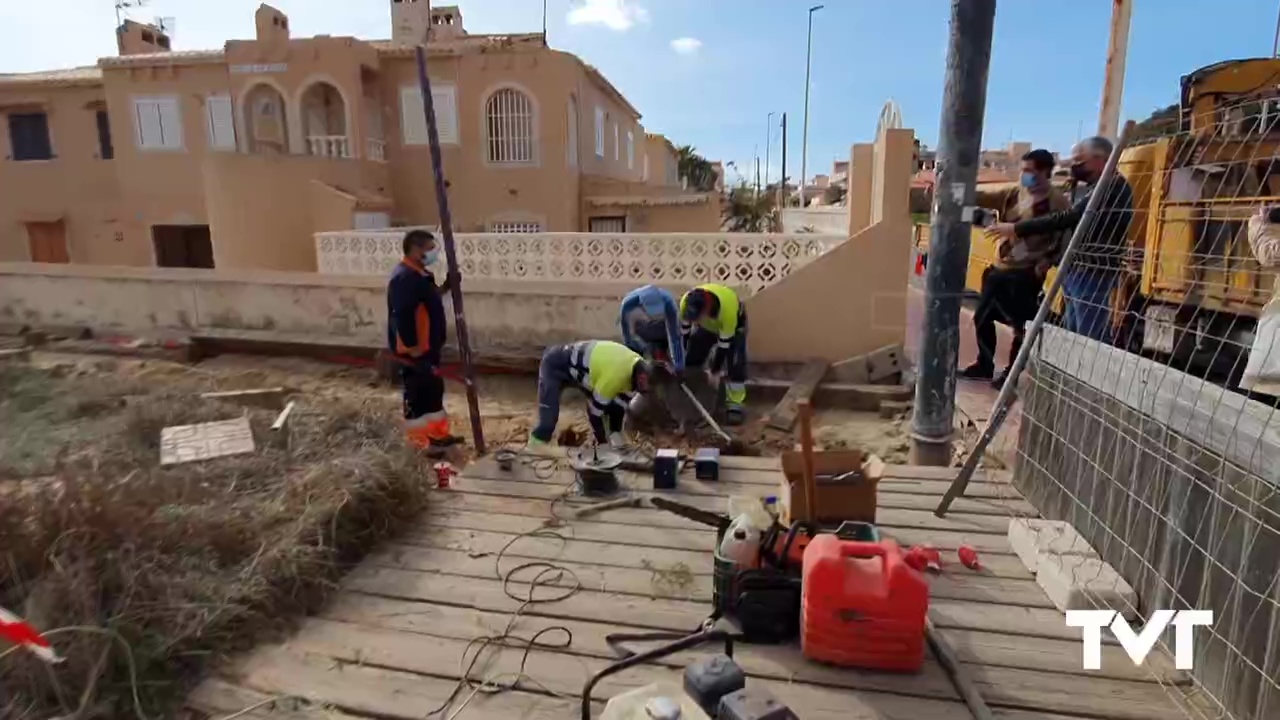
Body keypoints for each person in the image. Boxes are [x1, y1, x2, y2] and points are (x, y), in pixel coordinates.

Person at [988, 136, 1134, 345]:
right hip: (1077, 267)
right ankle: (1071, 373)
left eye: (1080, 161)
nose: (1075, 166)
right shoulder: (1094, 187)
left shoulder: (1111, 188)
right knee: (1074, 330)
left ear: (1102, 160)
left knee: (1088, 336)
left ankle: (1083, 374)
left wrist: (1016, 228)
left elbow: (1068, 218)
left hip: (1092, 269)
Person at [964, 149, 1070, 388]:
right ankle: (984, 364)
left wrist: (1047, 262)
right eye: (1023, 170)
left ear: (1045, 172)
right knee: (982, 317)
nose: (1024, 175)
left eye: (1029, 171)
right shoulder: (1015, 193)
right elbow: (984, 195)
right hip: (1000, 268)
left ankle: (1011, 375)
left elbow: (1065, 239)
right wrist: (953, 191)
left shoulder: (1058, 203)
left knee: (1020, 326)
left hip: (1025, 273)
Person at [387, 229, 462, 453]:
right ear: (415, 249)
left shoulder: (420, 275)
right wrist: (413, 347)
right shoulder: (404, 278)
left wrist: (447, 286)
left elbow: (428, 300)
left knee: (433, 390)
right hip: (415, 352)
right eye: (429, 249)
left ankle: (438, 436)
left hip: (428, 348)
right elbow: (403, 314)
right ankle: (420, 444)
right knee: (417, 396)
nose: (433, 253)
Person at [527, 340, 651, 451]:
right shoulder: (615, 378)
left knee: (610, 409)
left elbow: (618, 408)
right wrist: (603, 444)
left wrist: (616, 434)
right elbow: (594, 413)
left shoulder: (641, 373)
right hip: (555, 364)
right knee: (548, 422)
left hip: (588, 372)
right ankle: (533, 449)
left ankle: (610, 441)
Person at [680, 283, 748, 425]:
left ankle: (734, 405)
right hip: (706, 327)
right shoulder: (686, 303)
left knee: (735, 362)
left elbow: (724, 346)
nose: (694, 320)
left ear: (707, 308)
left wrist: (714, 370)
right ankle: (692, 394)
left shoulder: (727, 310)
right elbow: (684, 335)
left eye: (697, 316)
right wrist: (681, 359)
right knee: (692, 357)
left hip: (734, 328)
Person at [619, 284, 686, 373]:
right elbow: (628, 339)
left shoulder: (668, 302)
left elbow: (675, 337)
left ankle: (660, 350)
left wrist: (679, 366)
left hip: (661, 328)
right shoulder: (628, 305)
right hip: (641, 329)